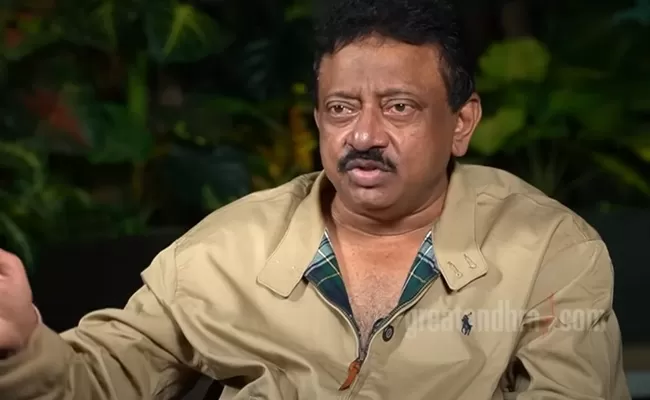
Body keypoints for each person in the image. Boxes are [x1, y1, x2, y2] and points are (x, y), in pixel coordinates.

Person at [0, 0, 631, 398]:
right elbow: (97, 381)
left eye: (399, 107)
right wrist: (22, 347)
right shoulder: (228, 248)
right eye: (341, 108)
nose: (364, 135)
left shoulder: (549, 251)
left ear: (461, 123)